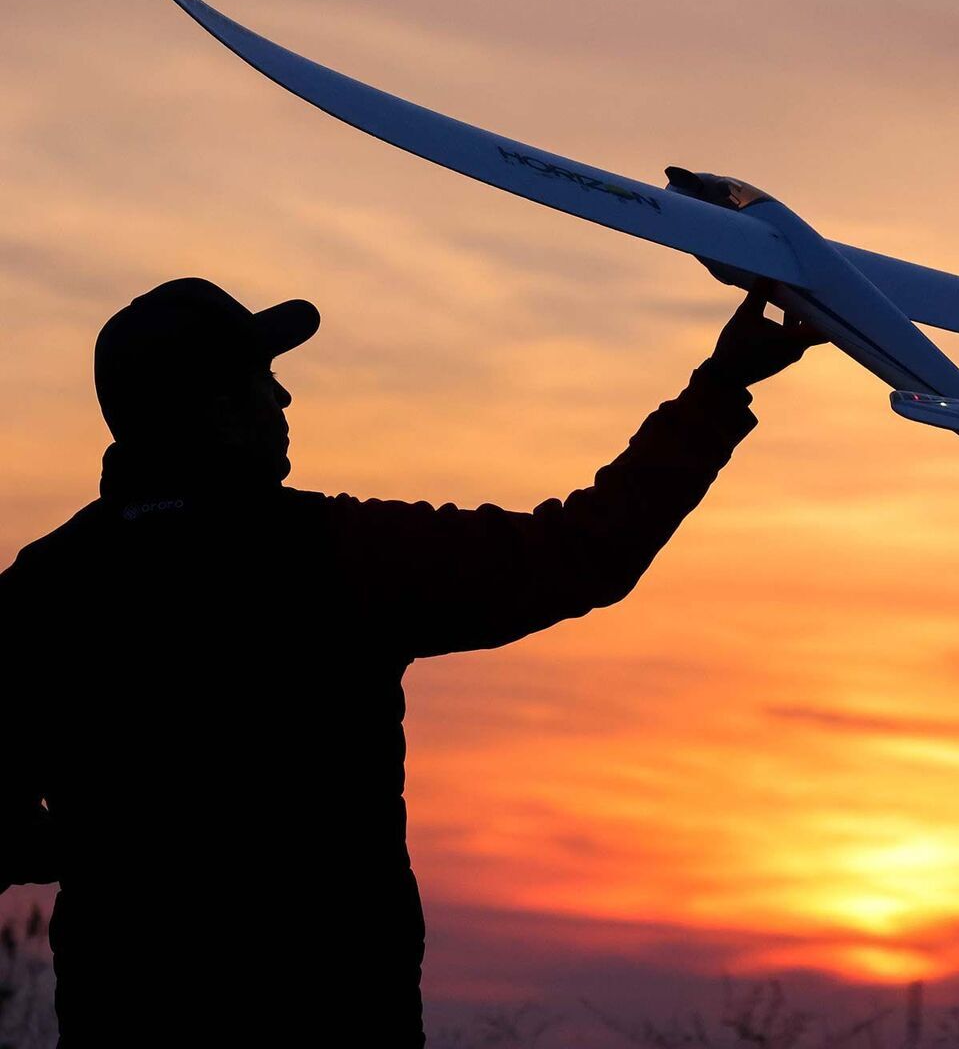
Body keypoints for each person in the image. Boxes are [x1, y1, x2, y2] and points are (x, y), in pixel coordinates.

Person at [0, 276, 821, 1046]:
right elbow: (582, 553)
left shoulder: (41, 589)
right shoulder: (337, 555)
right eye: (261, 380)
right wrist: (722, 385)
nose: (283, 398)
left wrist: (117, 849)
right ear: (219, 410)